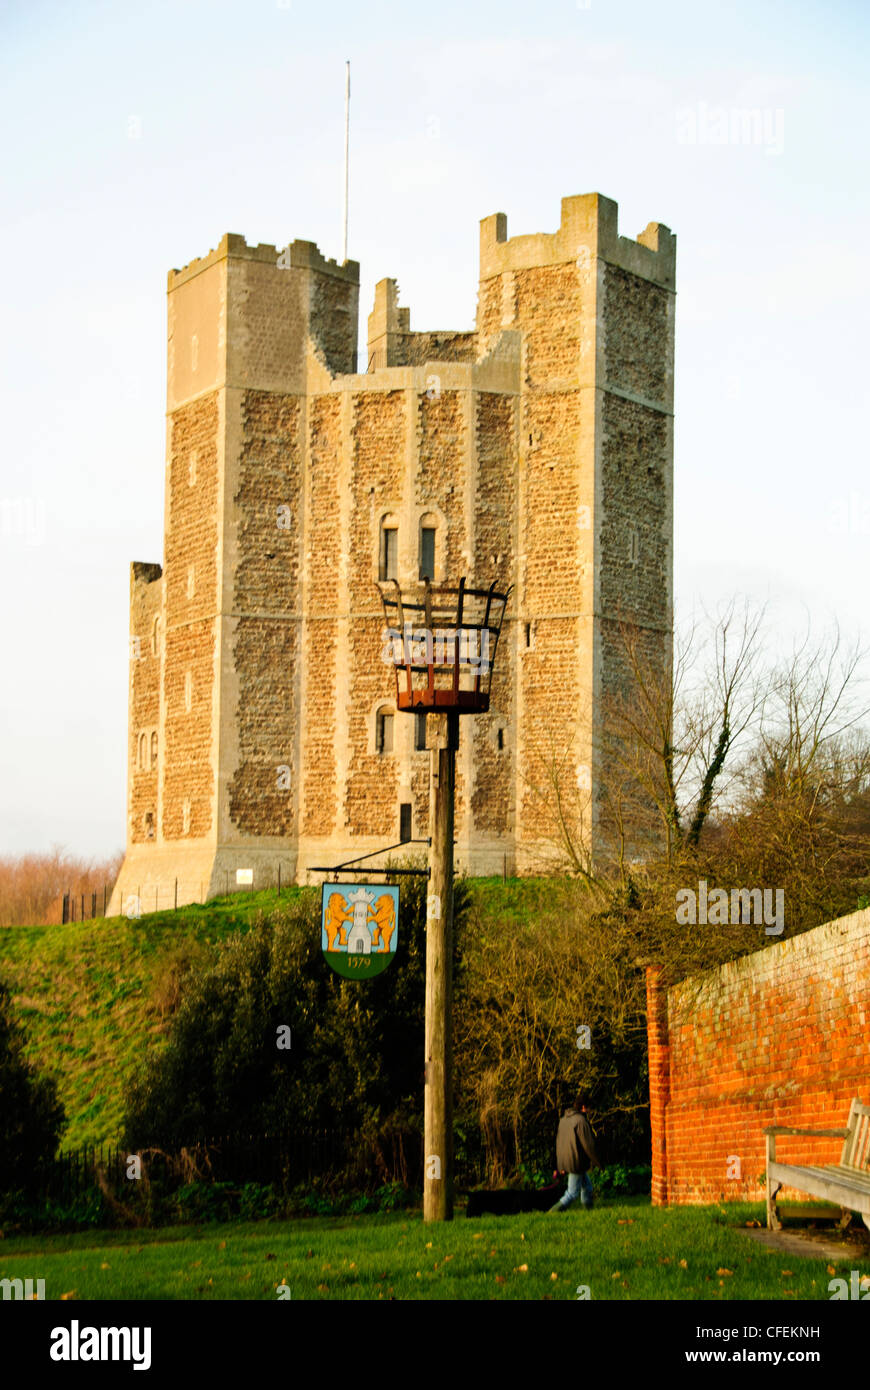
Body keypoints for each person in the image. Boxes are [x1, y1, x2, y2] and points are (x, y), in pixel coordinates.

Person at [549, 1093, 601, 1212]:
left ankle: (590, 1211)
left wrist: (560, 1164)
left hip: (567, 1160)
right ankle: (552, 1213)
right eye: (589, 1107)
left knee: (587, 1187)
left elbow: (559, 1142)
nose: (590, 1110)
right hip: (576, 1162)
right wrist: (598, 1162)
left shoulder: (564, 1119)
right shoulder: (581, 1121)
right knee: (572, 1193)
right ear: (583, 1107)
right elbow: (588, 1145)